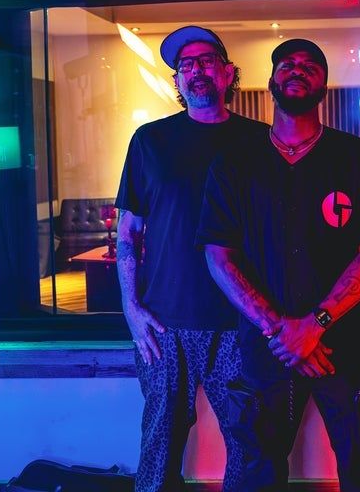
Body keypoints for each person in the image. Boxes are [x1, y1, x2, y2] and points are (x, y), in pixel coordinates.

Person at [198, 38, 360, 491]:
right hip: (267, 349)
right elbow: (218, 255)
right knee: (258, 473)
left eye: (310, 66)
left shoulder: (356, 158)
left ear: (324, 84)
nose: (297, 70)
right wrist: (281, 331)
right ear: (271, 81)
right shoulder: (234, 163)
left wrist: (315, 324)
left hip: (346, 346)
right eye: (287, 64)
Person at [115, 26, 266, 492]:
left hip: (238, 319)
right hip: (164, 324)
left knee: (250, 442)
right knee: (159, 442)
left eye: (206, 61)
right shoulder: (150, 141)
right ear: (178, 81)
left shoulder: (260, 142)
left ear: (228, 73)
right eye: (186, 65)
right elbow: (128, 233)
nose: (196, 70)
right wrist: (131, 309)